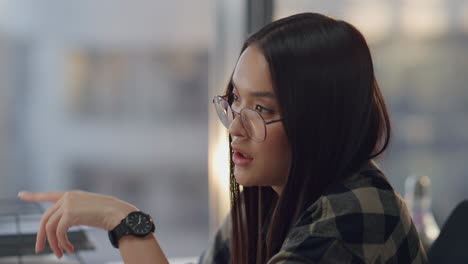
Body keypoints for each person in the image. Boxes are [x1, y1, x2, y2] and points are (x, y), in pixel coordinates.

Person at [18, 12, 427, 263]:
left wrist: (123, 220)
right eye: (234, 101)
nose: (234, 128)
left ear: (319, 120)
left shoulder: (358, 214)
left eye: (262, 110)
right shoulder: (270, 194)